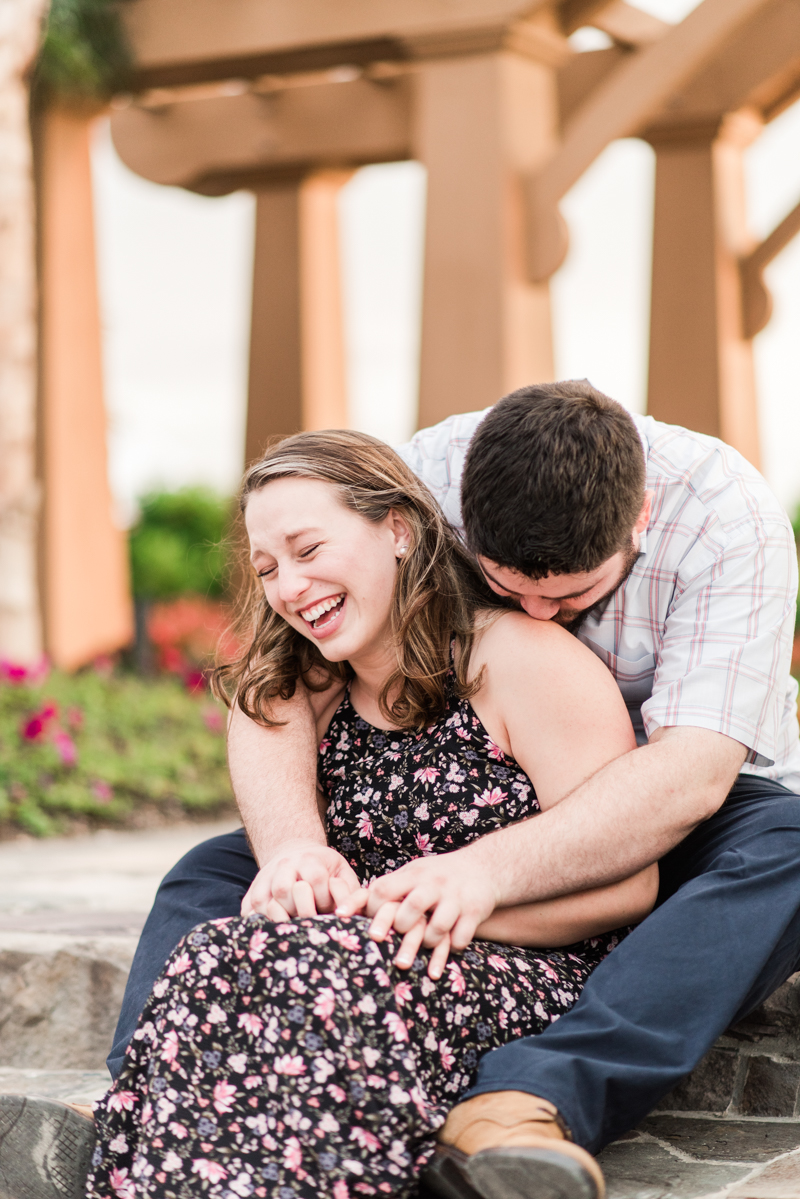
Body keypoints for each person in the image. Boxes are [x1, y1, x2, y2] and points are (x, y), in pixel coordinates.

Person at [47, 379, 800, 1199]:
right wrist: (300, 850)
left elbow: (690, 773)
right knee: (213, 872)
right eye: (504, 582)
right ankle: (147, 1085)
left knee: (785, 847)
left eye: (570, 594)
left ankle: (530, 1096)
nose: (535, 609)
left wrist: (479, 875)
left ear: (641, 518)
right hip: (455, 790)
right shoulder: (413, 480)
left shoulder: (729, 525)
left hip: (684, 777)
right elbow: (279, 678)